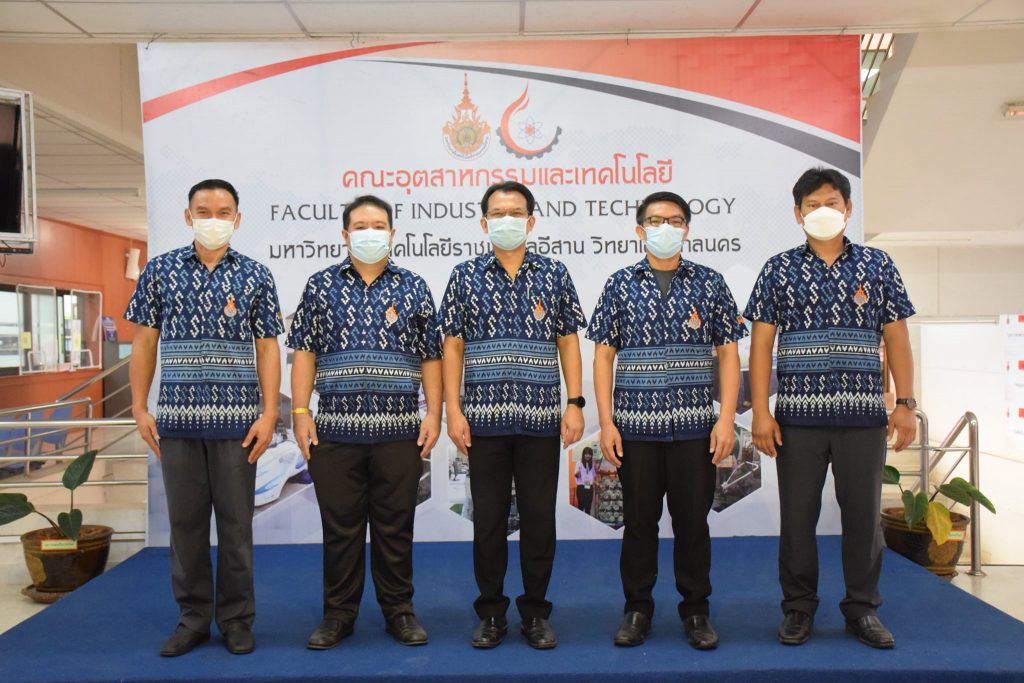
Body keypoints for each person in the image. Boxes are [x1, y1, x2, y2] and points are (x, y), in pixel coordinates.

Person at [745, 167, 917, 650]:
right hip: (797, 420)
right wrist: (760, 412)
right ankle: (798, 608)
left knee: (863, 518)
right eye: (813, 205)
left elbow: (897, 337)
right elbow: (761, 345)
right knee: (798, 518)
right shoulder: (778, 268)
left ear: (848, 208)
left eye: (833, 203)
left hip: (863, 418)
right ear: (797, 213)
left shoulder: (878, 265)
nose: (824, 211)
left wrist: (905, 404)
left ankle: (862, 609)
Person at [126, 179, 283, 657]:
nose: (213, 219)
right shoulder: (160, 271)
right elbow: (144, 341)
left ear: (237, 218)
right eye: (204, 211)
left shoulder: (256, 275)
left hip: (238, 425)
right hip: (176, 424)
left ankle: (236, 619)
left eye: (223, 211)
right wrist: (139, 405)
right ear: (187, 215)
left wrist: (269, 413)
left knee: (236, 528)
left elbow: (267, 347)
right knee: (186, 529)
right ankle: (192, 619)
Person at [588, 191, 746, 650]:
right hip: (634, 429)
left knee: (692, 524)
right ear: (640, 230)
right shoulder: (620, 284)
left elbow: (728, 354)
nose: (665, 228)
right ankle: (637, 609)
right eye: (656, 220)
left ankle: (696, 611)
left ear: (687, 229)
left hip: (696, 429)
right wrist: (607, 423)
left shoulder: (710, 283)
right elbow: (603, 356)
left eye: (674, 220)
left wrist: (726, 419)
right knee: (639, 523)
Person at [287, 195, 442, 650]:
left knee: (396, 527)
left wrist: (434, 413)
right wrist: (300, 412)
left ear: (392, 234)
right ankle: (338, 615)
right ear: (345, 234)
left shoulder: (414, 286)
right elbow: (304, 352)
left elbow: (431, 356)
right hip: (335, 432)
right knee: (341, 530)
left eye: (378, 225)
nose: (369, 232)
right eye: (360, 226)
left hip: (399, 431)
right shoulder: (320, 286)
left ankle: (400, 611)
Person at [439, 181, 586, 650]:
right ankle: (491, 613)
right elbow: (452, 346)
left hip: (541, 419)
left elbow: (568, 340)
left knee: (540, 519)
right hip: (482, 421)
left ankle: (536, 613)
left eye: (516, 212)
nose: (507, 220)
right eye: (498, 213)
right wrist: (453, 410)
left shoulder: (554, 273)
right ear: (484, 223)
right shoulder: (464, 275)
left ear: (531, 220)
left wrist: (575, 402)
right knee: (489, 521)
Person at [574, 447, 597, 515]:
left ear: (591, 455)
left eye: (589, 454)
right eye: (586, 454)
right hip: (581, 488)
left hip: (589, 488)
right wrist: (578, 473)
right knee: (581, 507)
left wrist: (597, 483)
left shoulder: (592, 464)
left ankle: (587, 521)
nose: (588, 456)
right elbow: (576, 475)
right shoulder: (579, 463)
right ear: (583, 454)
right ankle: (580, 521)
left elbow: (593, 476)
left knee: (588, 508)